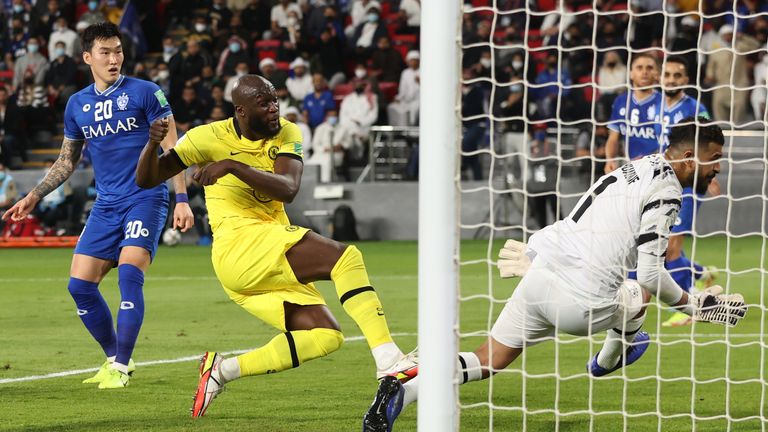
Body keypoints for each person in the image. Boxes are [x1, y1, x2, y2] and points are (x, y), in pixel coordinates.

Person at [362, 119, 748, 431]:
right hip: (580, 302)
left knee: (489, 359)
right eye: (714, 158)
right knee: (635, 293)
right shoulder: (666, 191)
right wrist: (693, 304)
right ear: (685, 157)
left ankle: (405, 388)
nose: (717, 168)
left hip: (541, 274)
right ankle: (610, 358)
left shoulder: (636, 166)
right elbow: (649, 272)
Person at [134, 74, 415, 417]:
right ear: (240, 110)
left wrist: (233, 166)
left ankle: (221, 371)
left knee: (325, 336)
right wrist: (151, 145)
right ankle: (388, 360)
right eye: (264, 104)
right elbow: (147, 178)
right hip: (239, 246)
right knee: (346, 258)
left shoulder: (286, 132)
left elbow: (288, 187)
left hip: (263, 249)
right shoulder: (207, 138)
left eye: (275, 101)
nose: (273, 109)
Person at [1, 22, 194, 389]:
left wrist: (181, 200)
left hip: (146, 197)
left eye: (118, 51)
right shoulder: (77, 105)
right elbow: (67, 160)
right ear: (88, 57)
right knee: (80, 286)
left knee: (128, 274)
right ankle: (114, 357)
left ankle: (120, 368)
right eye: (105, 52)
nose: (114, 58)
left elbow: (175, 148)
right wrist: (33, 195)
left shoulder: (146, 92)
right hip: (106, 205)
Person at [657, 56, 717, 326]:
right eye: (667, 74)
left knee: (670, 247)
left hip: (689, 183)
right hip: (658, 182)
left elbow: (710, 142)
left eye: (676, 75)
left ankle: (690, 306)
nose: (671, 79)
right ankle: (700, 273)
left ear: (686, 80)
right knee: (658, 246)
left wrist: (711, 174)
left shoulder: (696, 108)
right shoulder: (651, 108)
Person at [604, 52, 663, 174]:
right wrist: (610, 160)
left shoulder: (664, 103)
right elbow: (613, 138)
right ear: (631, 73)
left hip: (659, 168)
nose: (644, 72)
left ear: (657, 74)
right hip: (629, 168)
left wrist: (646, 161)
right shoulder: (621, 101)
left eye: (649, 68)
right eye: (639, 68)